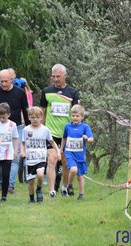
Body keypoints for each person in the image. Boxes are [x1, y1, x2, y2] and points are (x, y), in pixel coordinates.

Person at [39, 64, 80, 197]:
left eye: (58, 76)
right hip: (51, 133)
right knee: (51, 159)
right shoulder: (46, 91)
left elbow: (77, 113)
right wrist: (42, 129)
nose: (55, 79)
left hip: (67, 133)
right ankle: (51, 190)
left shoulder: (73, 93)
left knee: (65, 161)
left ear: (64, 76)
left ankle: (64, 187)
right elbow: (42, 112)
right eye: (53, 76)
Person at [0, 69, 30, 193]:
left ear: (12, 80)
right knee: (0, 158)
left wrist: (29, 128)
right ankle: (3, 181)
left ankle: (10, 184)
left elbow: (25, 111)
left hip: (16, 128)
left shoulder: (20, 92)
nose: (4, 84)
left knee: (14, 157)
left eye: (6, 81)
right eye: (1, 82)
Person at [21, 107, 60, 203]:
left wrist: (58, 151)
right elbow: (23, 142)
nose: (35, 119)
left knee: (40, 174)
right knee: (30, 183)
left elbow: (52, 142)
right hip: (30, 159)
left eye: (37, 117)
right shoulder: (26, 129)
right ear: (29, 117)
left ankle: (39, 189)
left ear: (41, 118)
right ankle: (31, 199)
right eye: (32, 117)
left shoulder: (45, 130)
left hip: (41, 158)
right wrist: (22, 151)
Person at [60, 105, 93, 200]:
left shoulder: (85, 127)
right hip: (69, 153)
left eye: (77, 116)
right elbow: (64, 138)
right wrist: (61, 149)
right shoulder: (67, 126)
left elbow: (91, 138)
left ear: (82, 117)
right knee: (73, 170)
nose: (75, 118)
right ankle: (69, 185)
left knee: (80, 176)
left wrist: (87, 138)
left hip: (80, 154)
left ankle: (81, 195)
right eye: (73, 116)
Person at [0, 102, 18, 202]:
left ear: (8, 115)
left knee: (6, 175)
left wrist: (15, 151)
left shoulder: (12, 125)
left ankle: (4, 195)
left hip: (7, 153)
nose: (1, 118)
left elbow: (15, 138)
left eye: (4, 116)